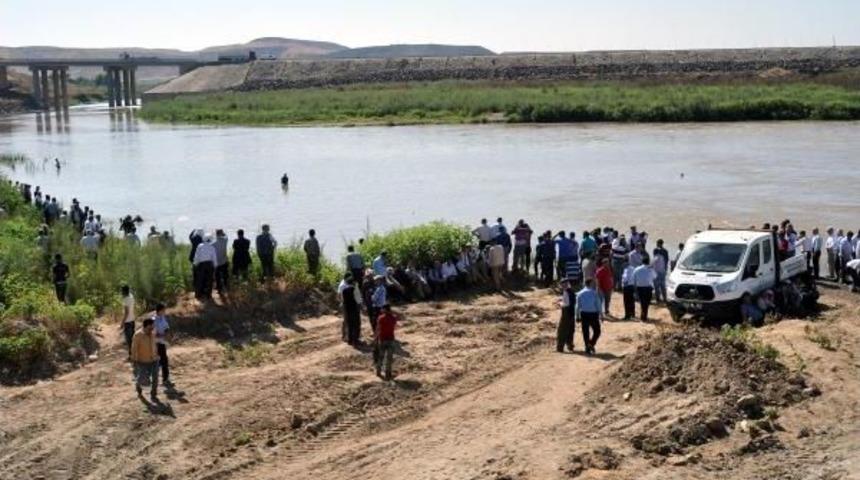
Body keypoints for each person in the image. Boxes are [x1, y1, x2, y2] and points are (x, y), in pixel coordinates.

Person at [131, 318, 159, 402]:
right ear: (147, 326)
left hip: (154, 359)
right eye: (151, 326)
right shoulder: (138, 335)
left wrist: (158, 354)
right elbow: (134, 348)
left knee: (155, 378)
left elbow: (156, 345)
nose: (153, 327)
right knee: (143, 379)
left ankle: (153, 394)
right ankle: (138, 387)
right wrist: (134, 360)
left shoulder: (153, 333)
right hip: (143, 361)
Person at [576, 279, 604, 355]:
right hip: (593, 314)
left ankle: (587, 347)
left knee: (586, 332)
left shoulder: (580, 293)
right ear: (590, 284)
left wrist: (577, 316)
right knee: (597, 331)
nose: (594, 285)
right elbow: (598, 305)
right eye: (593, 283)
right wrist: (601, 315)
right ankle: (591, 344)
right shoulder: (594, 293)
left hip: (584, 314)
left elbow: (578, 306)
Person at [375, 304, 399, 381]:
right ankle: (388, 374)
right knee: (389, 358)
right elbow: (394, 326)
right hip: (391, 339)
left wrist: (376, 338)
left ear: (384, 310)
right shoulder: (393, 318)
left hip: (382, 339)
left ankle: (378, 372)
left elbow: (378, 329)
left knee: (381, 357)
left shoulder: (380, 318)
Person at [338, 274, 363, 345]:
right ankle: (356, 340)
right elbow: (358, 300)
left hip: (347, 309)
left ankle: (350, 339)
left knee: (350, 324)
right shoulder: (354, 290)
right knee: (356, 324)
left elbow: (343, 300)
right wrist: (361, 307)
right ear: (353, 283)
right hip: (354, 309)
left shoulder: (344, 291)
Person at [152, 303, 172, 386]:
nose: (165, 311)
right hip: (156, 343)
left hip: (162, 342)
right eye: (163, 310)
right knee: (162, 361)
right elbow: (153, 334)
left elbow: (166, 326)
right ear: (159, 310)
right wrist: (163, 335)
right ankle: (164, 379)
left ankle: (165, 378)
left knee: (163, 361)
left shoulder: (162, 318)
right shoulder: (154, 320)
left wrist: (168, 333)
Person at [193, 235, 217, 300]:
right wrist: (215, 265)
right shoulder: (212, 247)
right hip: (209, 264)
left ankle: (198, 295)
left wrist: (195, 263)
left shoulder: (199, 246)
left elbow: (197, 256)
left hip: (201, 265)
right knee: (209, 280)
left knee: (200, 280)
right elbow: (214, 257)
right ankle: (208, 295)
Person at [556, 279, 575, 353]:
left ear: (565, 284)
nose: (561, 286)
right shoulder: (572, 291)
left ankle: (560, 347)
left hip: (566, 312)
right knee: (570, 330)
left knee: (562, 330)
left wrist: (560, 304)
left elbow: (566, 304)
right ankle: (570, 345)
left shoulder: (566, 292)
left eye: (562, 285)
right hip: (572, 313)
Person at [213, 229, 229, 294]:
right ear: (221, 234)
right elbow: (226, 236)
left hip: (217, 262)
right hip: (224, 260)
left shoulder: (213, 243)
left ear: (216, 234)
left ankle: (219, 289)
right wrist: (223, 233)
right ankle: (226, 286)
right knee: (225, 274)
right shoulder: (225, 241)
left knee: (217, 276)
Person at [121, 285, 136, 356]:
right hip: (132, 320)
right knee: (133, 339)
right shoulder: (131, 296)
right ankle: (135, 354)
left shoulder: (125, 299)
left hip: (127, 322)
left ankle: (131, 355)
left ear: (124, 291)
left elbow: (126, 312)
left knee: (129, 340)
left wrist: (122, 322)